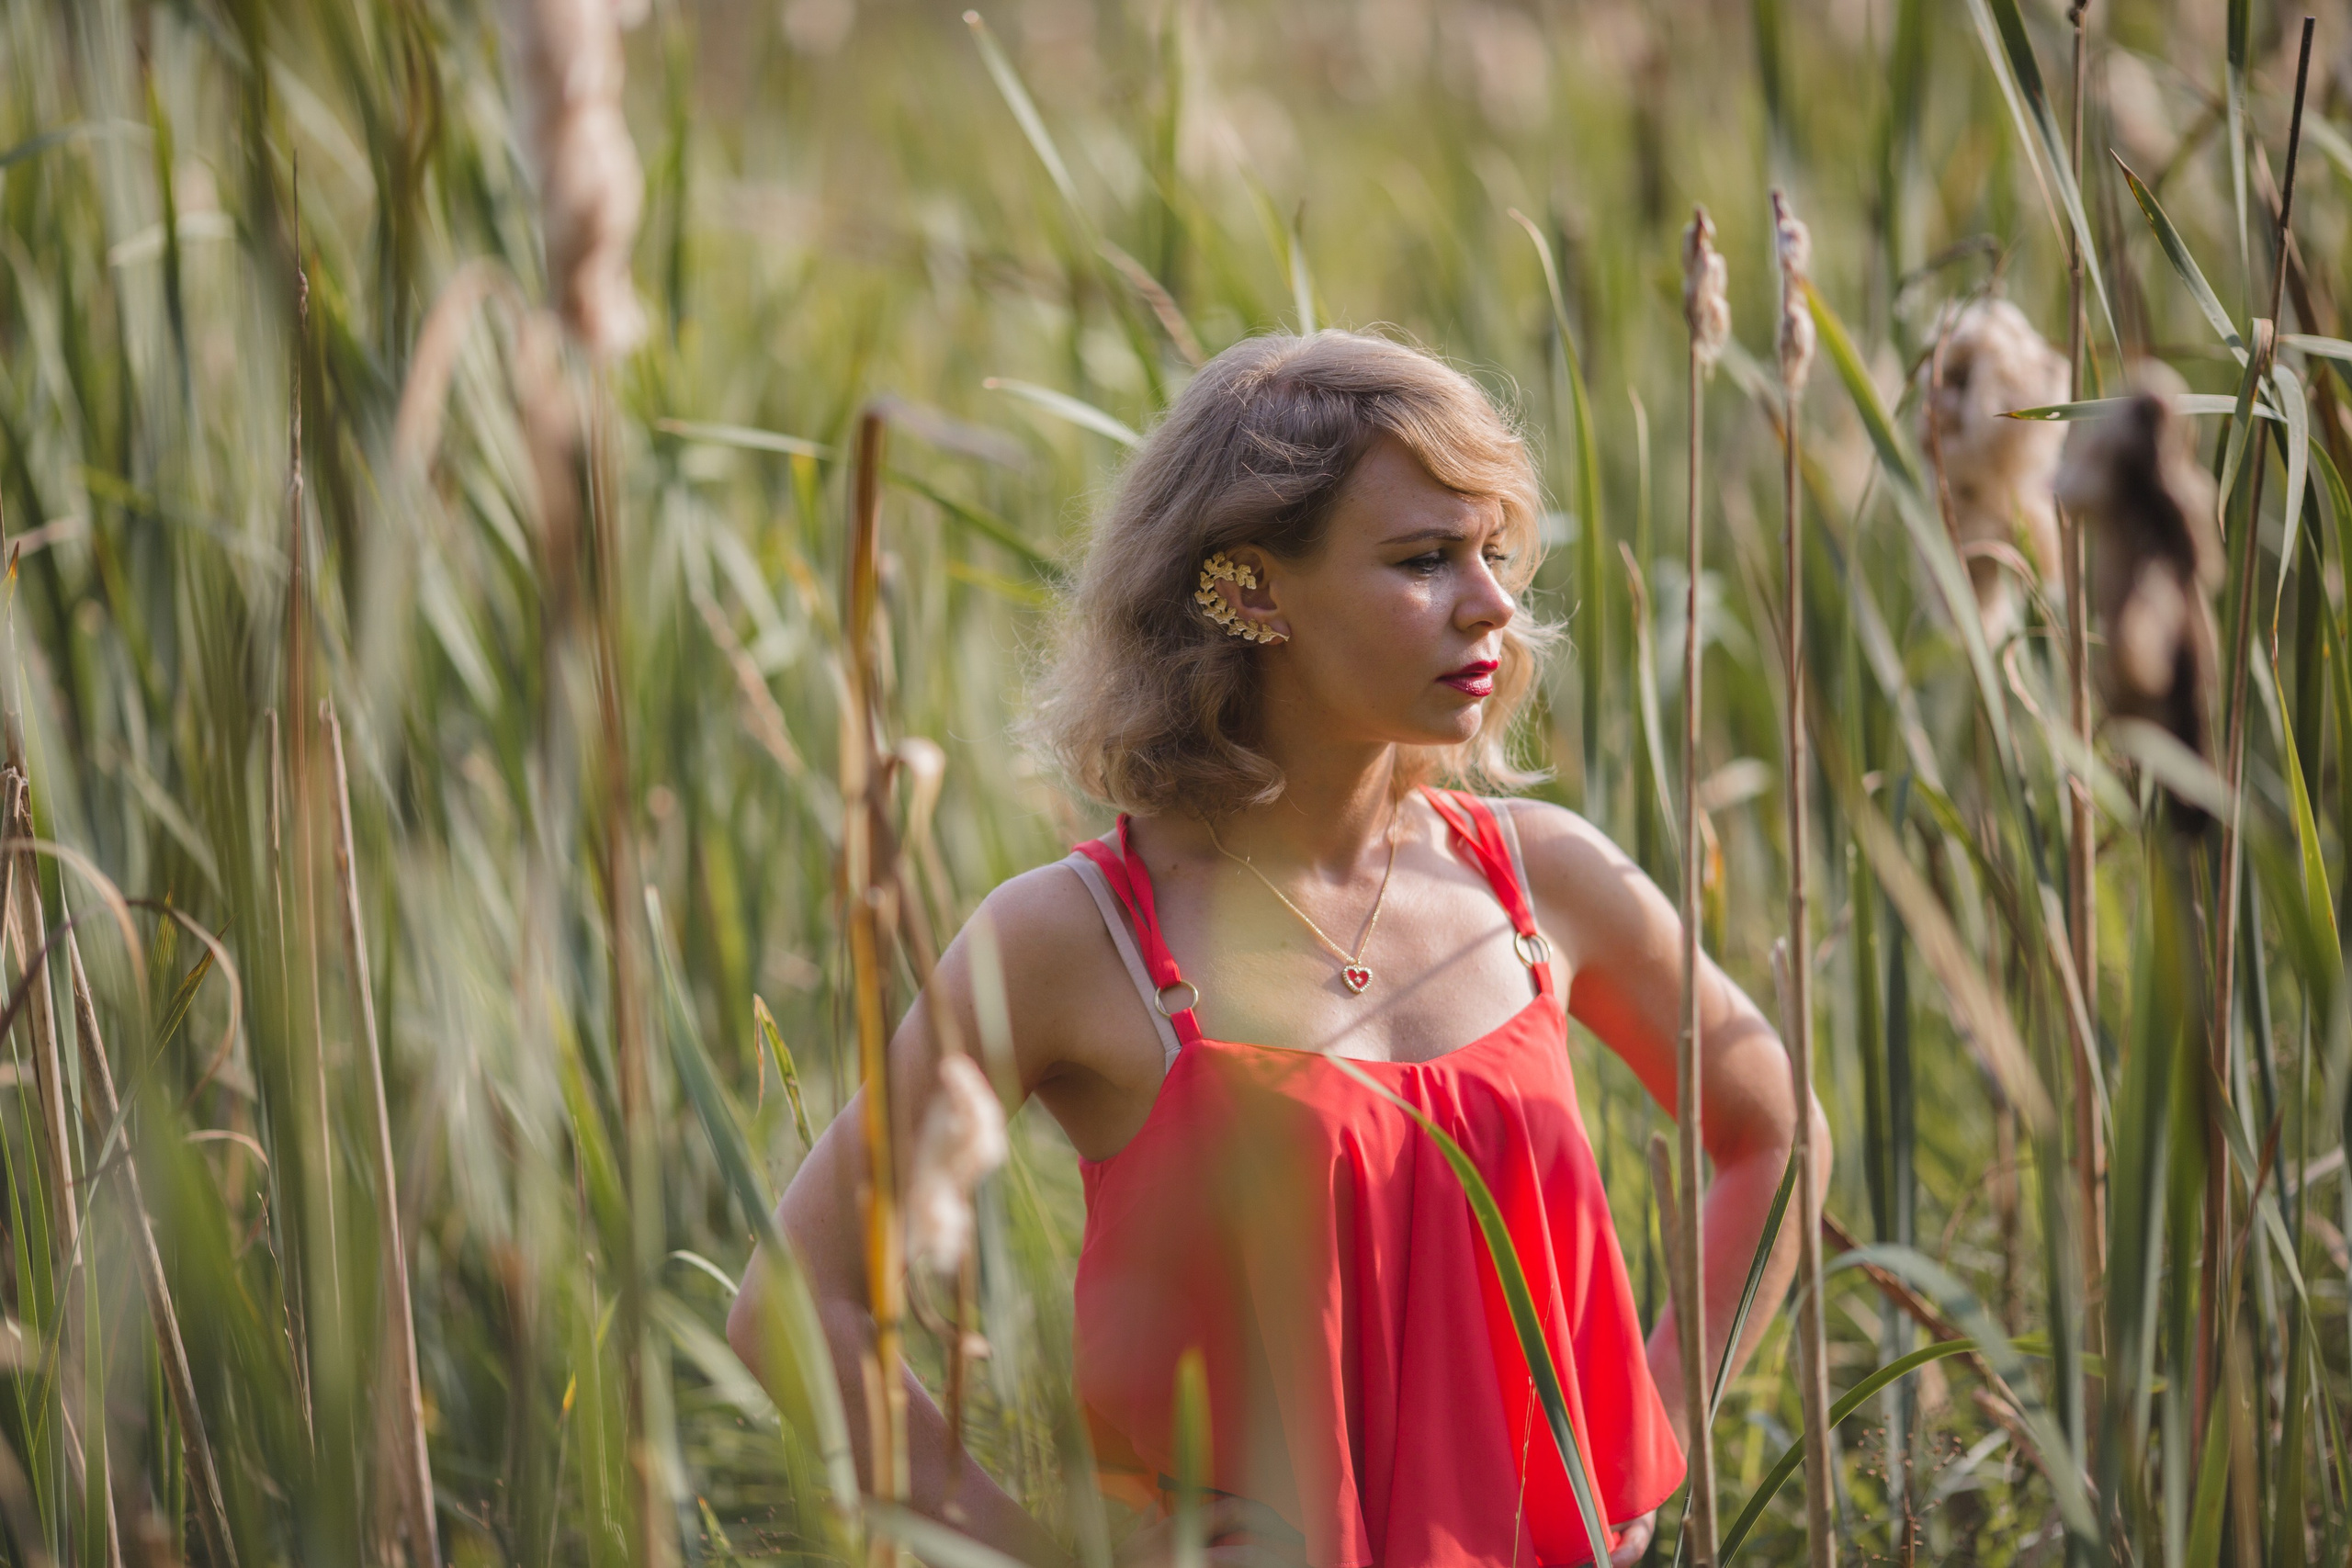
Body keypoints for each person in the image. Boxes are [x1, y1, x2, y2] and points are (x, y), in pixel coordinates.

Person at [729, 329, 1826, 1567]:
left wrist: (1635, 1455)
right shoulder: (1077, 939)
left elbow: (1773, 1136)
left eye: (1493, 551)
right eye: (1423, 560)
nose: (1494, 604)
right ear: (1250, 589)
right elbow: (792, 1304)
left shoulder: (1542, 878)